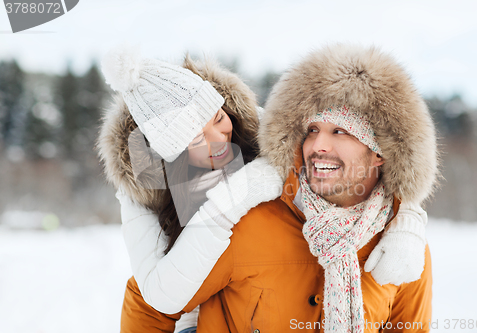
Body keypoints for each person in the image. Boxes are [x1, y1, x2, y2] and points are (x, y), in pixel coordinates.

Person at [100, 44, 437, 332]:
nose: (317, 144)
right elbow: (153, 298)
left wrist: (407, 215)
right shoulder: (243, 220)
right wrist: (230, 202)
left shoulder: (402, 249)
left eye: (341, 132)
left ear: (381, 152)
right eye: (313, 129)